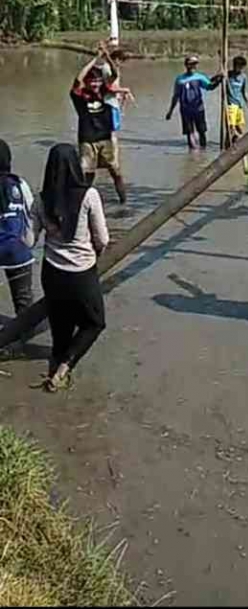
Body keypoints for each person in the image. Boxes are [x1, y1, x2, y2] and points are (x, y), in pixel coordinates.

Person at [31, 144, 109, 392]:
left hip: (52, 272)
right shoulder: (89, 195)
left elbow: (28, 240)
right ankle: (63, 369)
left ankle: (56, 367)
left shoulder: (41, 199)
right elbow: (103, 239)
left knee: (60, 328)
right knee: (94, 323)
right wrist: (95, 253)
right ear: (75, 166)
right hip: (81, 272)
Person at [70, 48, 127, 203]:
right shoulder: (80, 96)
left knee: (116, 171)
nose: (95, 84)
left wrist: (107, 56)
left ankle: (124, 202)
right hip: (87, 140)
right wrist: (95, 59)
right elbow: (78, 79)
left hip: (105, 139)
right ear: (87, 83)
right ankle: (83, 203)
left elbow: (114, 74)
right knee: (87, 174)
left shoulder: (104, 92)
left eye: (97, 81)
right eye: (92, 81)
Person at [0, 140, 34, 322]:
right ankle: (23, 341)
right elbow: (30, 216)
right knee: (24, 303)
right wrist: (28, 244)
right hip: (17, 251)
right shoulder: (19, 184)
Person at [165, 55, 221, 150]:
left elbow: (209, 87)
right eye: (191, 64)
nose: (193, 67)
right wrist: (170, 111)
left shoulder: (200, 77)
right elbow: (176, 96)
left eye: (195, 65)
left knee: (201, 131)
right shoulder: (180, 79)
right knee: (189, 132)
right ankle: (194, 150)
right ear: (186, 65)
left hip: (198, 108)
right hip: (185, 109)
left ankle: (202, 151)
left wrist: (219, 80)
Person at [225, 56, 248, 145]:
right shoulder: (228, 75)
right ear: (235, 66)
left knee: (240, 126)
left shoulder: (243, 77)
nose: (241, 69)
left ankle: (241, 142)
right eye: (239, 67)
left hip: (239, 104)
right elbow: (217, 78)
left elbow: (244, 91)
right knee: (231, 127)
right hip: (231, 104)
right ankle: (229, 144)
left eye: (243, 67)